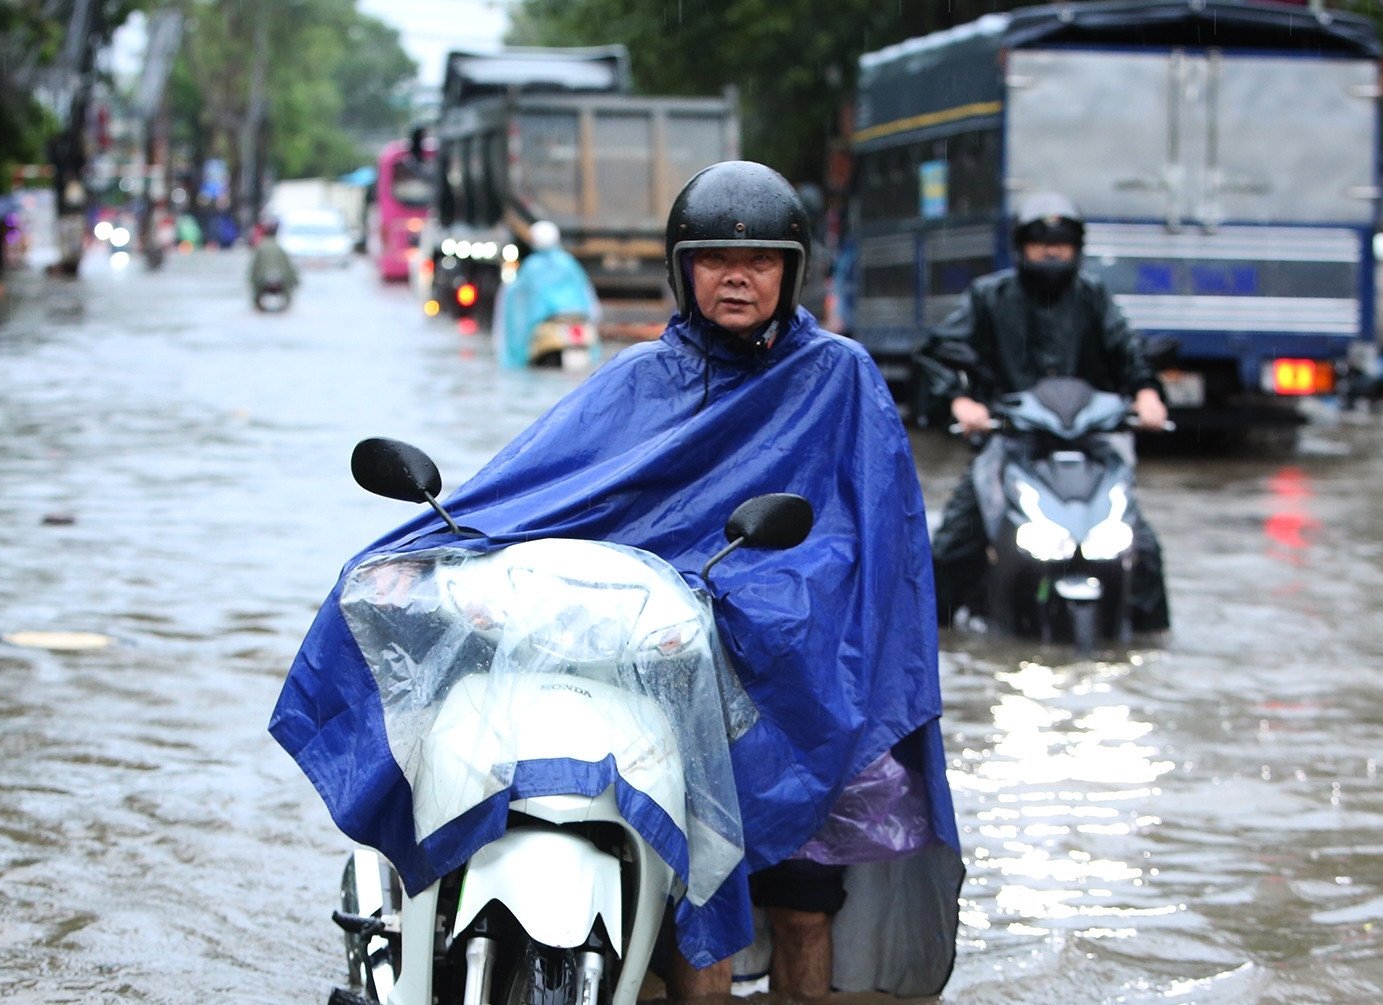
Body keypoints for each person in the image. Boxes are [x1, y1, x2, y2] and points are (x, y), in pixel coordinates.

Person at [270, 161, 961, 1002]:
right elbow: (536, 497)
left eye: (761, 261)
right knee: (674, 897)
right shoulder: (639, 382)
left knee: (801, 911)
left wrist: (771, 602)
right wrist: (435, 555)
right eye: (712, 259)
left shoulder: (841, 380)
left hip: (802, 690)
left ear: (793, 270)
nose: (736, 276)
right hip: (665, 676)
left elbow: (874, 553)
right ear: (682, 269)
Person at [916, 191, 1171, 630]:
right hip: (1011, 443)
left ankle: (1151, 646)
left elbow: (1129, 351)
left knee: (1144, 552)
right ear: (1020, 246)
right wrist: (960, 401)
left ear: (1077, 248)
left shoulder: (1093, 297)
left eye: (1062, 242)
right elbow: (936, 354)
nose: (1051, 250)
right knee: (950, 549)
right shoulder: (988, 296)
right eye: (1039, 240)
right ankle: (930, 647)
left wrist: (1147, 393)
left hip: (1089, 446)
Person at [495, 219, 601, 368]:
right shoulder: (569, 263)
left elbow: (520, 305)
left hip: (548, 328)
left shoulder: (531, 267)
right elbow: (587, 294)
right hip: (579, 324)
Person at [247, 218, 298, 305]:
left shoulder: (260, 247)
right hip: (279, 280)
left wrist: (251, 281)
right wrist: (295, 281)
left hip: (263, 280)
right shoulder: (280, 248)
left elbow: (253, 269)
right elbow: (289, 269)